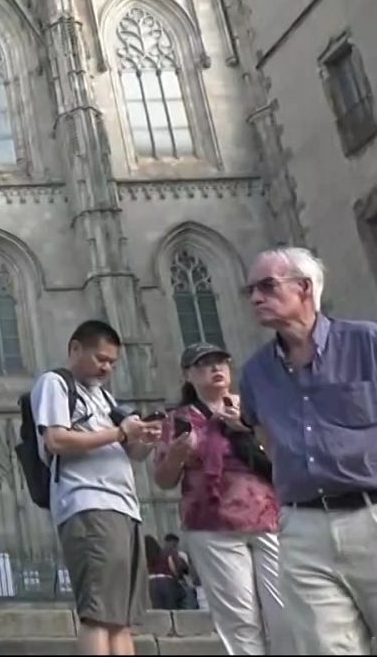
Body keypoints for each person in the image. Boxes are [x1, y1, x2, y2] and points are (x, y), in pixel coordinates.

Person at [238, 247, 377, 655]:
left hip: (370, 513)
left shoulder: (366, 343)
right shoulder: (256, 372)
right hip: (303, 528)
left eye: (267, 286)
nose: (256, 298)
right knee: (323, 648)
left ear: (304, 288)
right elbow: (262, 434)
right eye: (250, 290)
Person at [31, 320, 162, 656]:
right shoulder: (55, 383)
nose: (107, 367)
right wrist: (120, 433)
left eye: (112, 363)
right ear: (75, 349)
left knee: (120, 619)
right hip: (89, 504)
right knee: (98, 615)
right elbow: (56, 439)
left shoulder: (105, 398)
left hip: (123, 508)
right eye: (101, 359)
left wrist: (145, 438)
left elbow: (131, 453)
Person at [153, 341, 282, 653]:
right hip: (212, 526)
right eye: (204, 365)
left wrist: (248, 428)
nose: (215, 369)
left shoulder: (255, 406)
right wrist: (177, 456)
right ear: (187, 375)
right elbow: (164, 480)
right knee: (240, 622)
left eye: (220, 363)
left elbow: (287, 456)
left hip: (270, 518)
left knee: (287, 613)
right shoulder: (177, 420)